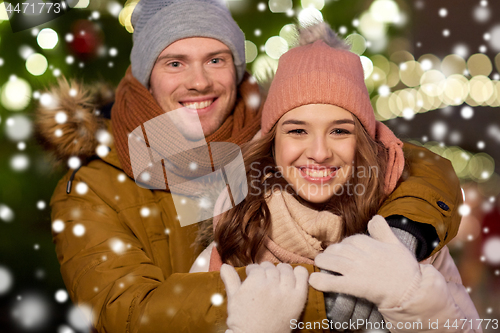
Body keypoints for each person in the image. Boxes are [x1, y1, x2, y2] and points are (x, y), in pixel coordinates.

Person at [34, 0, 463, 331]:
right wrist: (320, 301)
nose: (199, 81)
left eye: (216, 59)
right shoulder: (95, 184)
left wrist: (409, 229)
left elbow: (399, 158)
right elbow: (127, 311)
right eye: (175, 62)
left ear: (236, 69)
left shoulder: (267, 132)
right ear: (146, 74)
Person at [208, 23, 481, 333]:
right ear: (272, 143)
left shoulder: (405, 238)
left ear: (363, 142)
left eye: (339, 131)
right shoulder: (234, 228)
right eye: (298, 130)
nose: (320, 152)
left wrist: (412, 300)